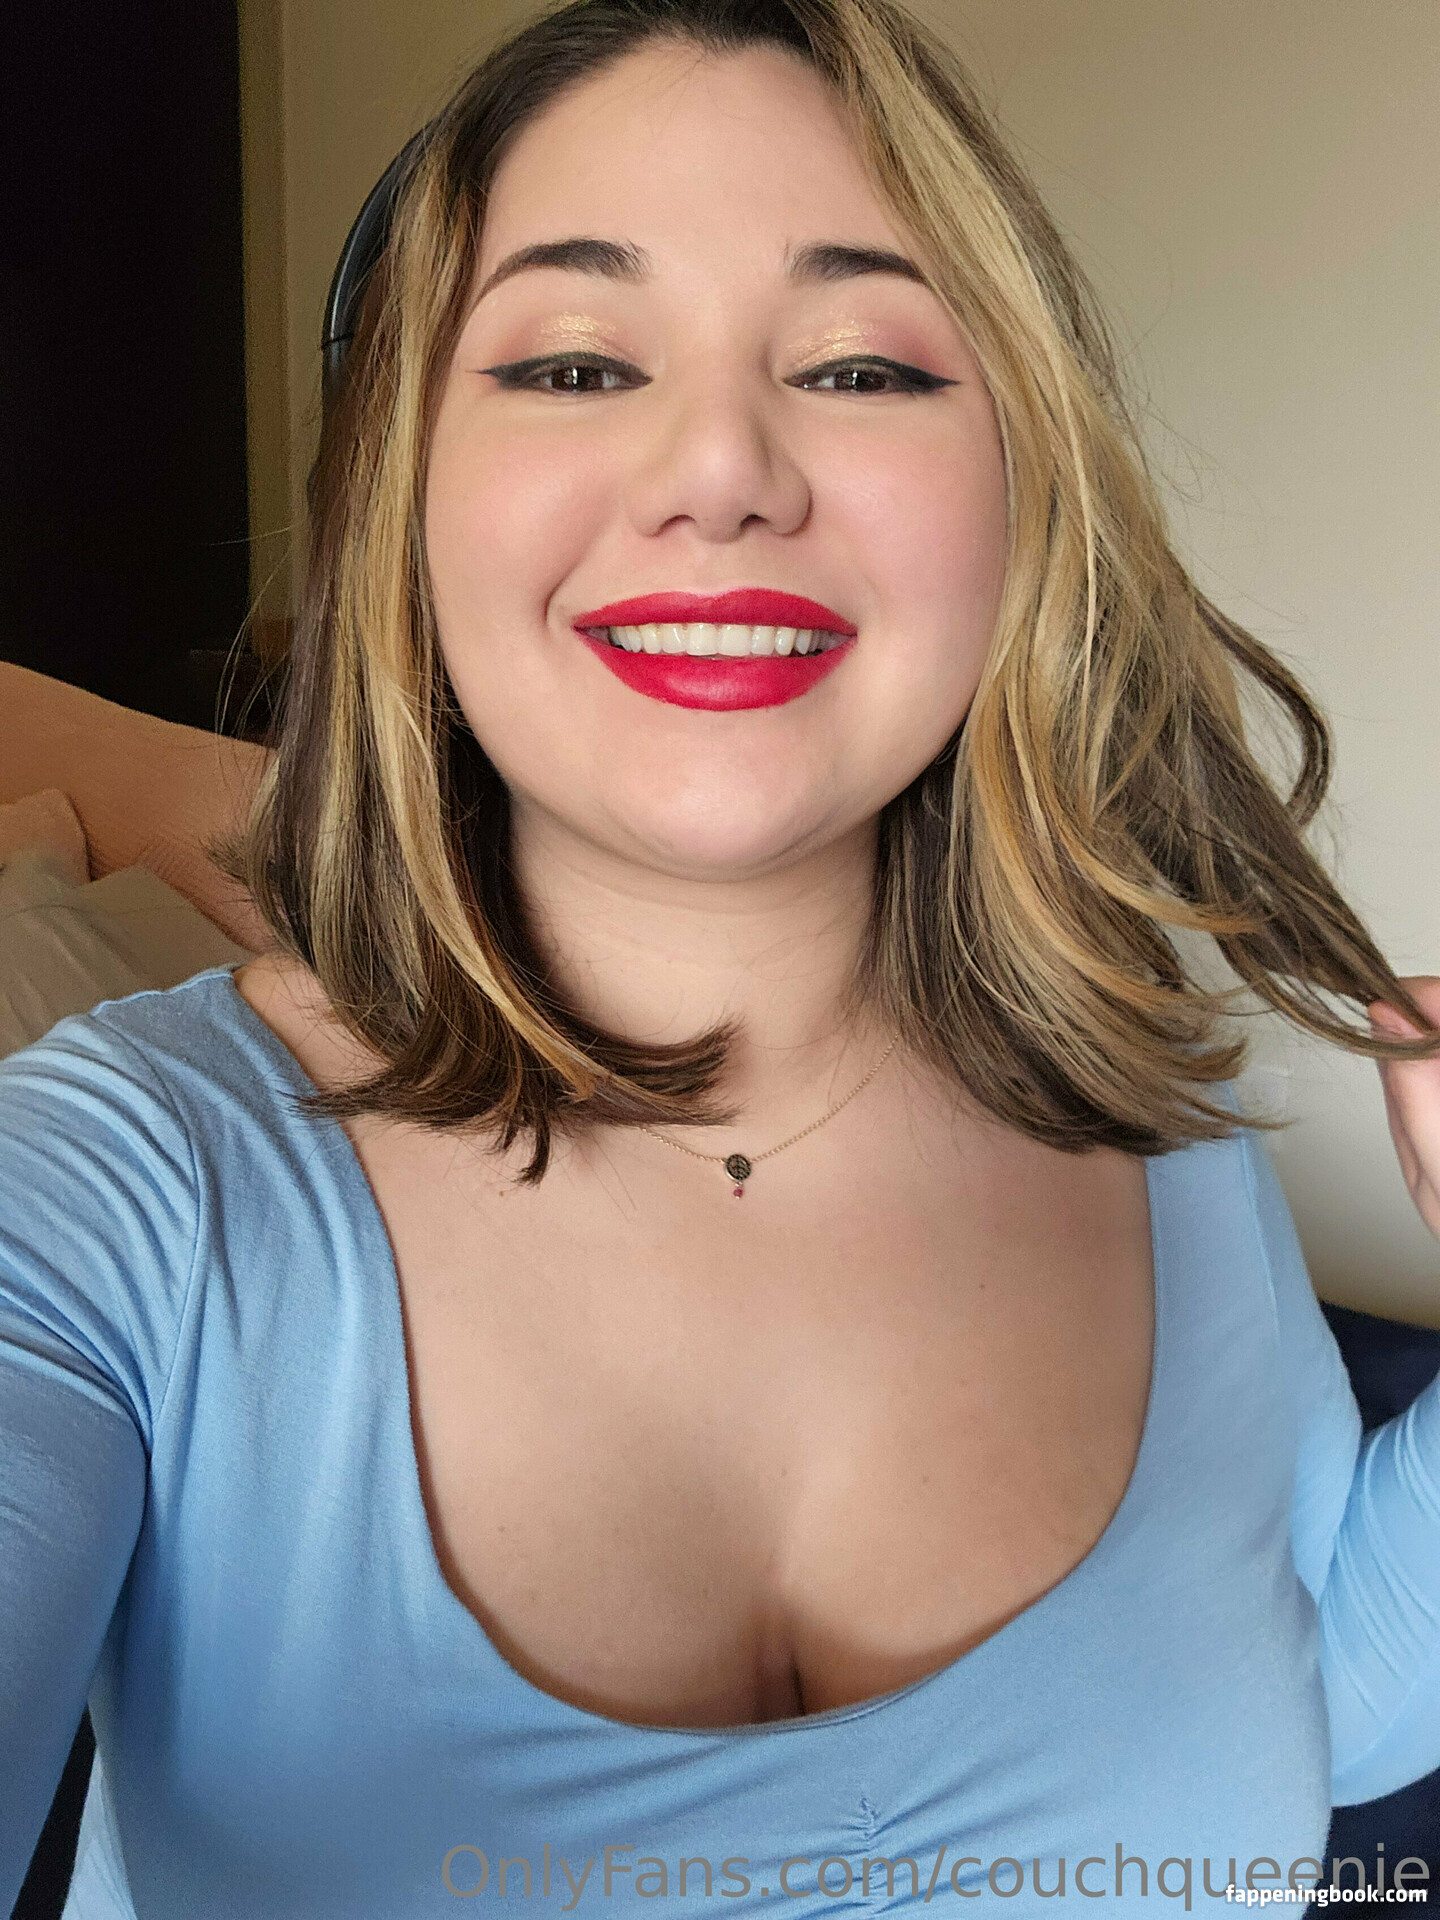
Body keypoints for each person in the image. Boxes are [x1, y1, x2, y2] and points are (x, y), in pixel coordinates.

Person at [3, 0, 1439, 1908]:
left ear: (1023, 487)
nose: (721, 470)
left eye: (860, 366)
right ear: (405, 493)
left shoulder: (1150, 1105)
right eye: (576, 362)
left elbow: (1308, 1708)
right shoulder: (110, 1194)